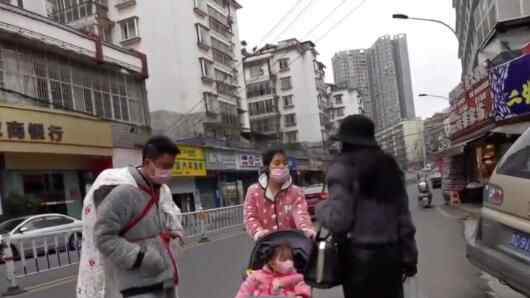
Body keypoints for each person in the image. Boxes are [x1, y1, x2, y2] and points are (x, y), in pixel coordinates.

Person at [316, 115, 418, 298]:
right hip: (391, 257)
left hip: (358, 262)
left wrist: (321, 208)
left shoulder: (342, 168)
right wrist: (409, 257)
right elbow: (404, 220)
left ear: (345, 142)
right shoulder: (390, 166)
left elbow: (339, 221)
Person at [78, 136, 183, 298]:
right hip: (138, 287)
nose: (168, 171)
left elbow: (146, 231)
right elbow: (103, 237)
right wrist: (141, 257)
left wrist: (168, 236)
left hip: (161, 280)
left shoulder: (158, 190)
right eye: (165, 166)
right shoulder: (124, 193)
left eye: (171, 166)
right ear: (148, 163)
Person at [244, 148, 315, 241]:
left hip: (292, 247)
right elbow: (250, 217)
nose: (282, 166)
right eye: (277, 163)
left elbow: (301, 214)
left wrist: (306, 230)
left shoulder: (296, 192)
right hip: (266, 247)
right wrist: (258, 232)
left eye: (285, 163)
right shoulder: (253, 191)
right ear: (266, 167)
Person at [235, 243, 311, 298]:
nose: (289, 263)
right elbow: (245, 290)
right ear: (272, 263)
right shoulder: (257, 276)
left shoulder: (296, 278)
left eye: (290, 259)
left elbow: (303, 289)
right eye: (283, 259)